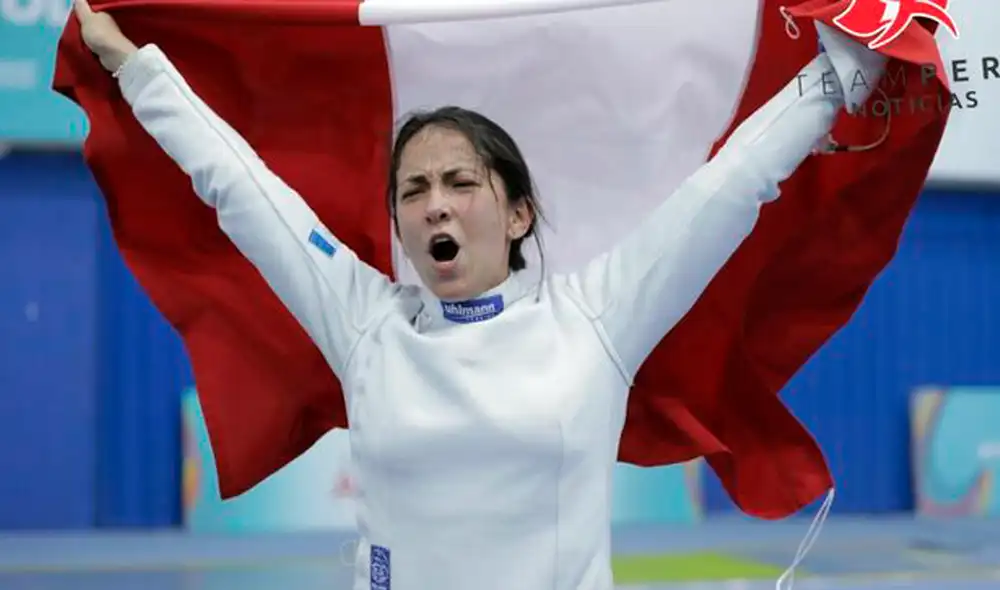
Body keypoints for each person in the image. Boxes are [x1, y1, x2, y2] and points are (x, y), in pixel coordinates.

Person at [72, 1, 887, 588]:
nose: (435, 202)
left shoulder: (595, 318)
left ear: (518, 211)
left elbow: (728, 189)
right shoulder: (364, 324)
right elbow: (242, 190)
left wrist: (838, 76)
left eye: (462, 181)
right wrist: (135, 65)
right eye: (415, 188)